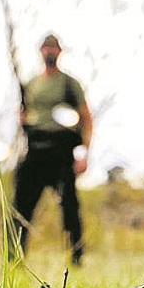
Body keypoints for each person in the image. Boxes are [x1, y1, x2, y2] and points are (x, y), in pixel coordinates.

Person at [12, 34, 94, 264]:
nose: (49, 52)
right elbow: (25, 115)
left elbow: (86, 119)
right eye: (46, 48)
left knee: (70, 208)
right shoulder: (31, 85)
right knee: (20, 207)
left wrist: (83, 153)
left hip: (60, 152)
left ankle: (76, 258)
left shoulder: (69, 84)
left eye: (53, 48)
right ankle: (15, 259)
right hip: (35, 151)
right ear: (40, 51)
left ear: (60, 52)